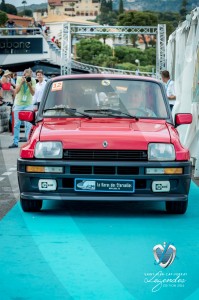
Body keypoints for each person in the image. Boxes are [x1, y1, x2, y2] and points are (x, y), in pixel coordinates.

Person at [9, 68, 36, 148]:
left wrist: (29, 84)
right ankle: (15, 142)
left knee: (28, 125)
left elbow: (33, 93)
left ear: (31, 75)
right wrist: (21, 82)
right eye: (26, 75)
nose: (28, 77)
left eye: (29, 76)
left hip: (28, 104)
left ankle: (28, 142)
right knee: (17, 124)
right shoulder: (19, 79)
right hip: (18, 104)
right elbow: (16, 91)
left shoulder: (33, 80)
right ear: (24, 75)